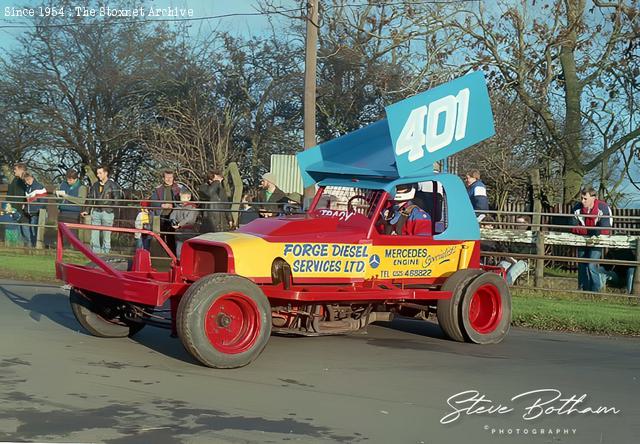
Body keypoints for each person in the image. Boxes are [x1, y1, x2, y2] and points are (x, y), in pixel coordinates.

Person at [571, 186, 612, 292]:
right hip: (582, 240)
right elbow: (572, 226)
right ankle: (583, 290)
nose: (582, 201)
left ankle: (596, 291)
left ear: (593, 197)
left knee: (591, 265)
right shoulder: (577, 208)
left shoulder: (603, 208)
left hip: (598, 241)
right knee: (581, 265)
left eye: (585, 198)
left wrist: (584, 230)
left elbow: (605, 229)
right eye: (581, 198)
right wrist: (590, 231)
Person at [81, 165, 121, 254]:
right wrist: (87, 210)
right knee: (94, 236)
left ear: (106, 173)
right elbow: (91, 198)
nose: (98, 175)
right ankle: (96, 256)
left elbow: (117, 200)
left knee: (106, 236)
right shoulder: (95, 185)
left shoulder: (113, 185)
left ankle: (105, 256)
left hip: (107, 213)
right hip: (96, 212)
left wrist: (111, 210)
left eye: (100, 173)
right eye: (97, 173)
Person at [150, 170, 181, 253]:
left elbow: (184, 200)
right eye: (167, 177)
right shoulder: (158, 189)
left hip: (175, 215)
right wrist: (161, 205)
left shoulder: (179, 188)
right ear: (163, 178)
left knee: (173, 236)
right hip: (162, 215)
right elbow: (152, 201)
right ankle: (163, 254)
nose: (168, 179)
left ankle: (173, 255)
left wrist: (173, 205)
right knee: (162, 236)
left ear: (173, 178)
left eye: (170, 177)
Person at [55, 168, 87, 244]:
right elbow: (56, 190)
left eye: (70, 180)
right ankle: (61, 249)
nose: (68, 182)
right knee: (61, 233)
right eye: (67, 179)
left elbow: (81, 201)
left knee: (72, 233)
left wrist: (66, 196)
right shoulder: (63, 184)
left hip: (73, 213)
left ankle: (74, 250)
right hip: (62, 212)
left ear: (76, 179)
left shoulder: (82, 187)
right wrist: (56, 193)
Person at [169, 187, 199, 258]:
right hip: (179, 230)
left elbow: (190, 219)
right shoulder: (178, 207)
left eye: (183, 197)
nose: (181, 199)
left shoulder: (193, 208)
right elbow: (172, 216)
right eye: (181, 197)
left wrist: (179, 224)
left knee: (188, 249)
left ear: (189, 198)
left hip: (189, 230)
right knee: (179, 249)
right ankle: (180, 262)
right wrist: (173, 222)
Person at [23, 172, 48, 247]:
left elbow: (43, 202)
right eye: (26, 180)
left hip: (36, 213)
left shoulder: (39, 187)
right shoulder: (28, 188)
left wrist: (37, 210)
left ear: (32, 177)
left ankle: (36, 247)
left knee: (35, 230)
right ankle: (33, 246)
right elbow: (28, 200)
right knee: (32, 230)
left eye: (29, 179)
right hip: (30, 212)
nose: (27, 181)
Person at [6, 163, 28, 246]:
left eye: (15, 169)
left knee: (25, 231)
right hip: (14, 210)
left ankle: (30, 250)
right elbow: (10, 194)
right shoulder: (14, 180)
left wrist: (25, 204)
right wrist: (8, 206)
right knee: (14, 230)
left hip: (23, 211)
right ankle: (16, 248)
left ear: (21, 169)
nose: (14, 171)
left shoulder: (26, 180)